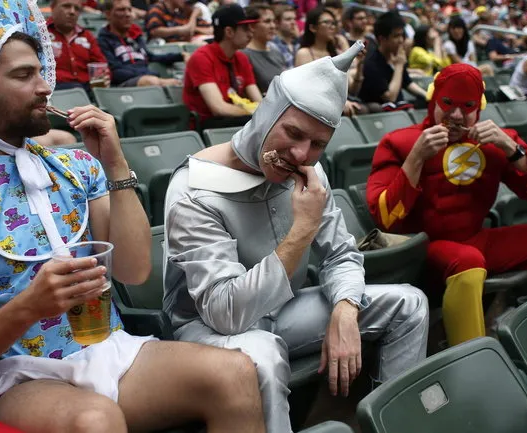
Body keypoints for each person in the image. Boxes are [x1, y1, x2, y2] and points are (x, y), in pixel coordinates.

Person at [0, 3, 267, 432]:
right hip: (11, 376)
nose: (44, 88)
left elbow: (133, 268)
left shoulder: (76, 167)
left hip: (106, 347)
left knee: (236, 372)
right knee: (96, 419)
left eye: (41, 72)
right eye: (23, 76)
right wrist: (29, 307)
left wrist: (114, 164)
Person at [164, 41, 429, 433]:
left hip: (282, 312)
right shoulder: (194, 189)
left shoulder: (309, 174)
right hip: (205, 330)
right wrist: (302, 230)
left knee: (410, 304)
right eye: (292, 133)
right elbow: (224, 313)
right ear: (267, 115)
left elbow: (341, 255)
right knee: (262, 356)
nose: (301, 154)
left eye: (318, 144)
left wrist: (345, 306)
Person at [366, 63, 527, 347]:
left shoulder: (498, 142)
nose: (456, 115)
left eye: (467, 106)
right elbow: (383, 217)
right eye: (448, 104)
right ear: (433, 98)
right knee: (469, 262)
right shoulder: (399, 143)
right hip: (423, 247)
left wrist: (514, 151)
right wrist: (416, 158)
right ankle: (470, 360)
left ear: (480, 107)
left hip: (477, 240)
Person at [183, 4, 263, 129]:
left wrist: (261, 111)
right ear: (229, 32)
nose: (251, 33)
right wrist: (256, 112)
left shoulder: (242, 58)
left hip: (236, 121)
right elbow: (218, 108)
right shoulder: (201, 58)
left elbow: (259, 101)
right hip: (209, 125)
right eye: (245, 28)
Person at [98, 0, 184, 87]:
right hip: (122, 87)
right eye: (121, 10)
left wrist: (181, 55)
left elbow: (151, 57)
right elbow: (115, 72)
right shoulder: (103, 41)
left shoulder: (136, 37)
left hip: (147, 80)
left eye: (129, 10)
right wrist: (147, 75)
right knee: (150, 82)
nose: (127, 14)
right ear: (108, 14)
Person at [358, 11, 427, 107]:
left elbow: (408, 84)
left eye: (402, 35)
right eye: (396, 36)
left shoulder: (396, 58)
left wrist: (429, 97)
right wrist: (399, 65)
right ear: (382, 39)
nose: (401, 40)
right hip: (381, 116)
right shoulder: (371, 64)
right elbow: (390, 97)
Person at [48, 0, 110, 93]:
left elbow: (101, 64)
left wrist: (104, 75)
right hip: (54, 90)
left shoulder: (87, 36)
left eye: (77, 8)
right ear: (53, 7)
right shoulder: (40, 33)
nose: (72, 12)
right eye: (66, 6)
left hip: (87, 88)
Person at [243, 4, 286, 94]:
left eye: (274, 21)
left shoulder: (275, 50)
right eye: (267, 21)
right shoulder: (244, 55)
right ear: (252, 26)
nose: (273, 26)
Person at [145, 0, 212, 42]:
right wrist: (179, 30)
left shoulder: (179, 13)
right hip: (161, 51)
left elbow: (188, 31)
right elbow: (154, 31)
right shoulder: (157, 8)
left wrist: (194, 16)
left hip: (179, 51)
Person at [270, 5, 300, 70]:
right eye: (288, 19)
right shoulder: (272, 45)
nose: (293, 22)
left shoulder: (298, 42)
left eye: (294, 19)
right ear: (277, 23)